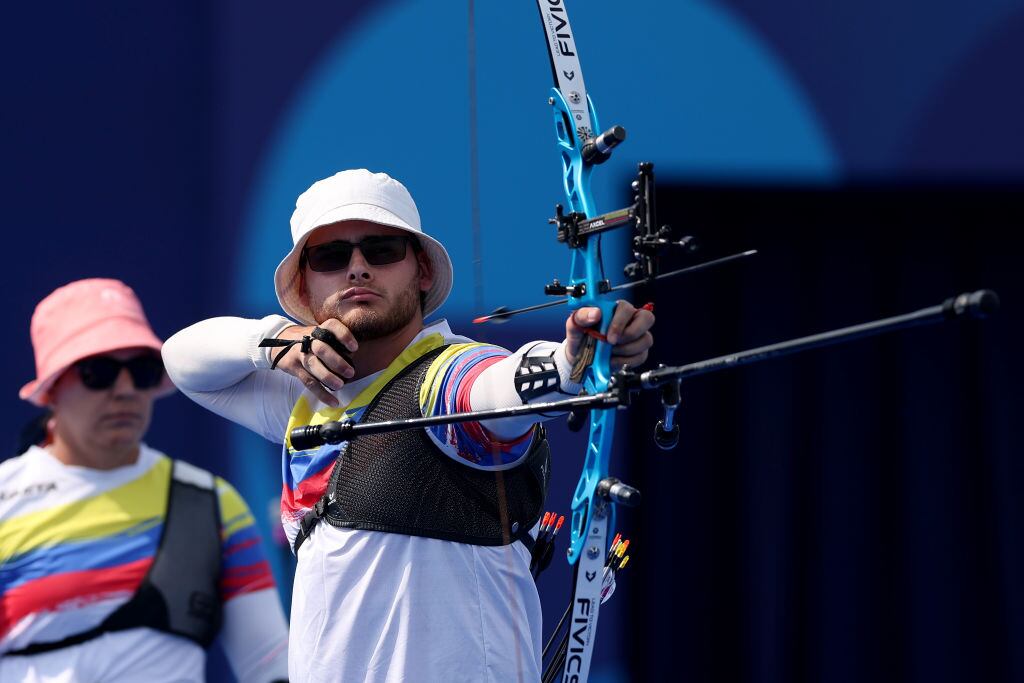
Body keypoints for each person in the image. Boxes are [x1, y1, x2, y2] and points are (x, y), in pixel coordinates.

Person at [161, 169, 655, 682]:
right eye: (331, 257)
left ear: (420, 270)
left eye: (380, 250)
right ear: (305, 287)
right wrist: (276, 339)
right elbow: (182, 361)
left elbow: (500, 384)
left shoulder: (449, 376)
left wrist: (575, 359)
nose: (357, 269)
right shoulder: (305, 399)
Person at [0, 278, 289, 682]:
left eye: (141, 370)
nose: (124, 390)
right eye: (97, 371)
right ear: (50, 390)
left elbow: (270, 667)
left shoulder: (213, 504)